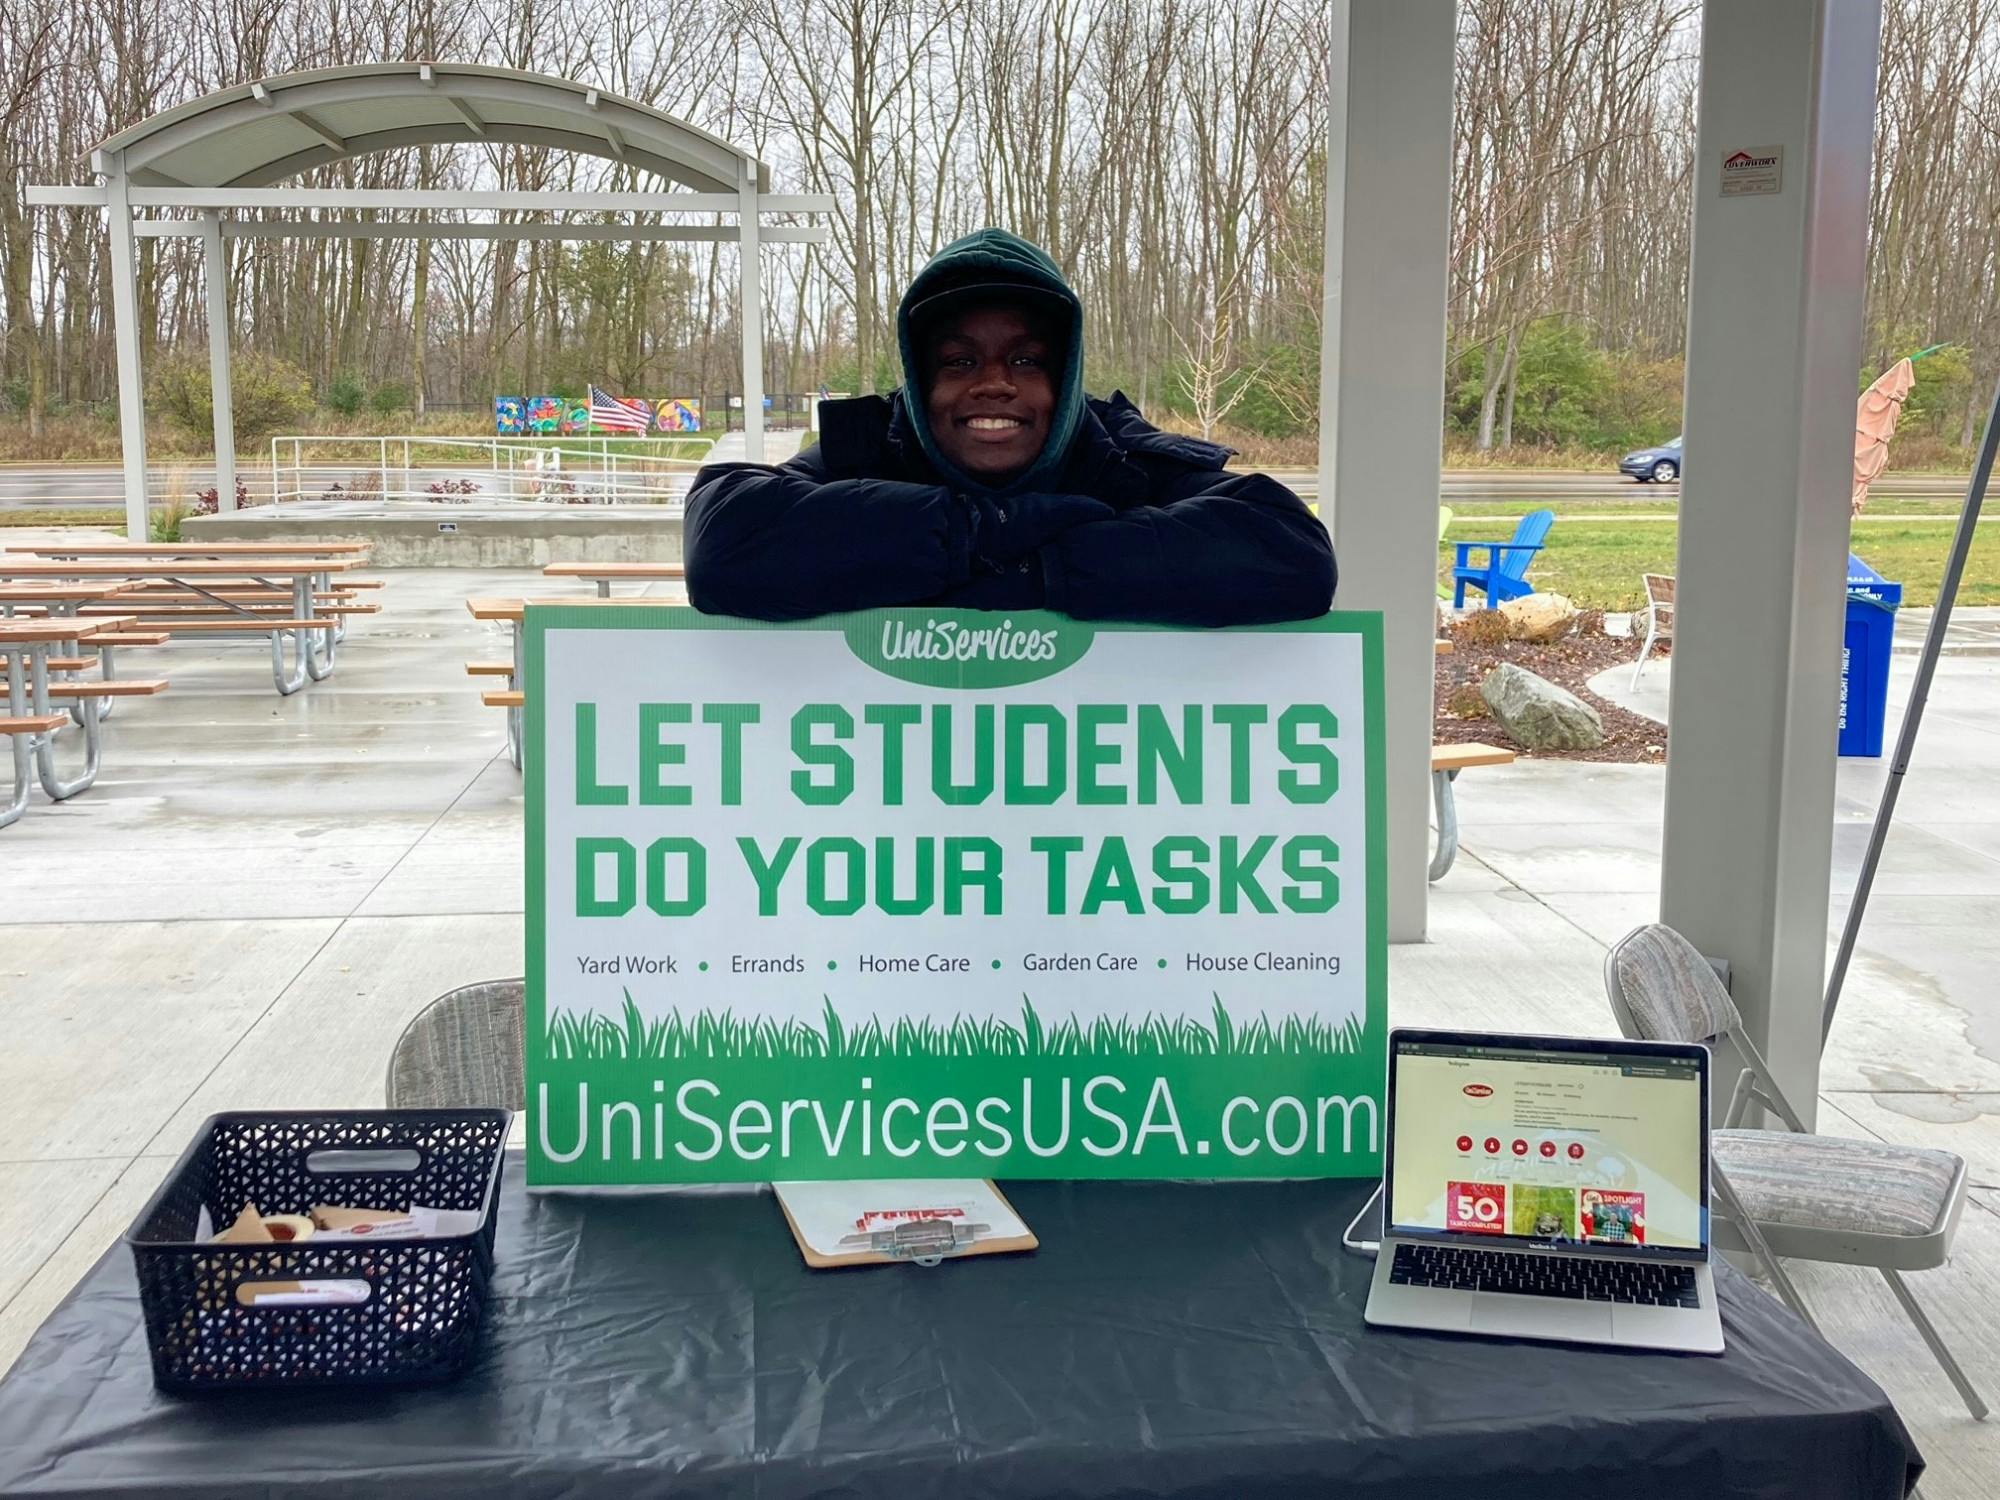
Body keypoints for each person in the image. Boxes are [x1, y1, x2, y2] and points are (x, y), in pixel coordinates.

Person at [683, 228, 1335, 625]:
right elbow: (723, 544)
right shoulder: (871, 444)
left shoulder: (1117, 455)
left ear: (1067, 375)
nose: (993, 382)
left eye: (1027, 360)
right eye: (959, 361)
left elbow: (1292, 553)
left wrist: (1039, 572)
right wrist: (984, 531)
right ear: (919, 377)